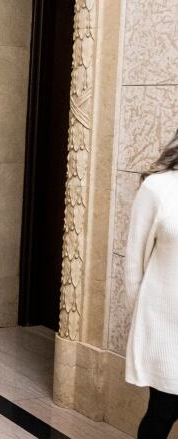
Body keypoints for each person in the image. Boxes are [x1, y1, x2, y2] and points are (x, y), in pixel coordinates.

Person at [125, 129, 178, 438]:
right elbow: (133, 262)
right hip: (165, 328)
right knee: (163, 411)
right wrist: (143, 318)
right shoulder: (157, 188)